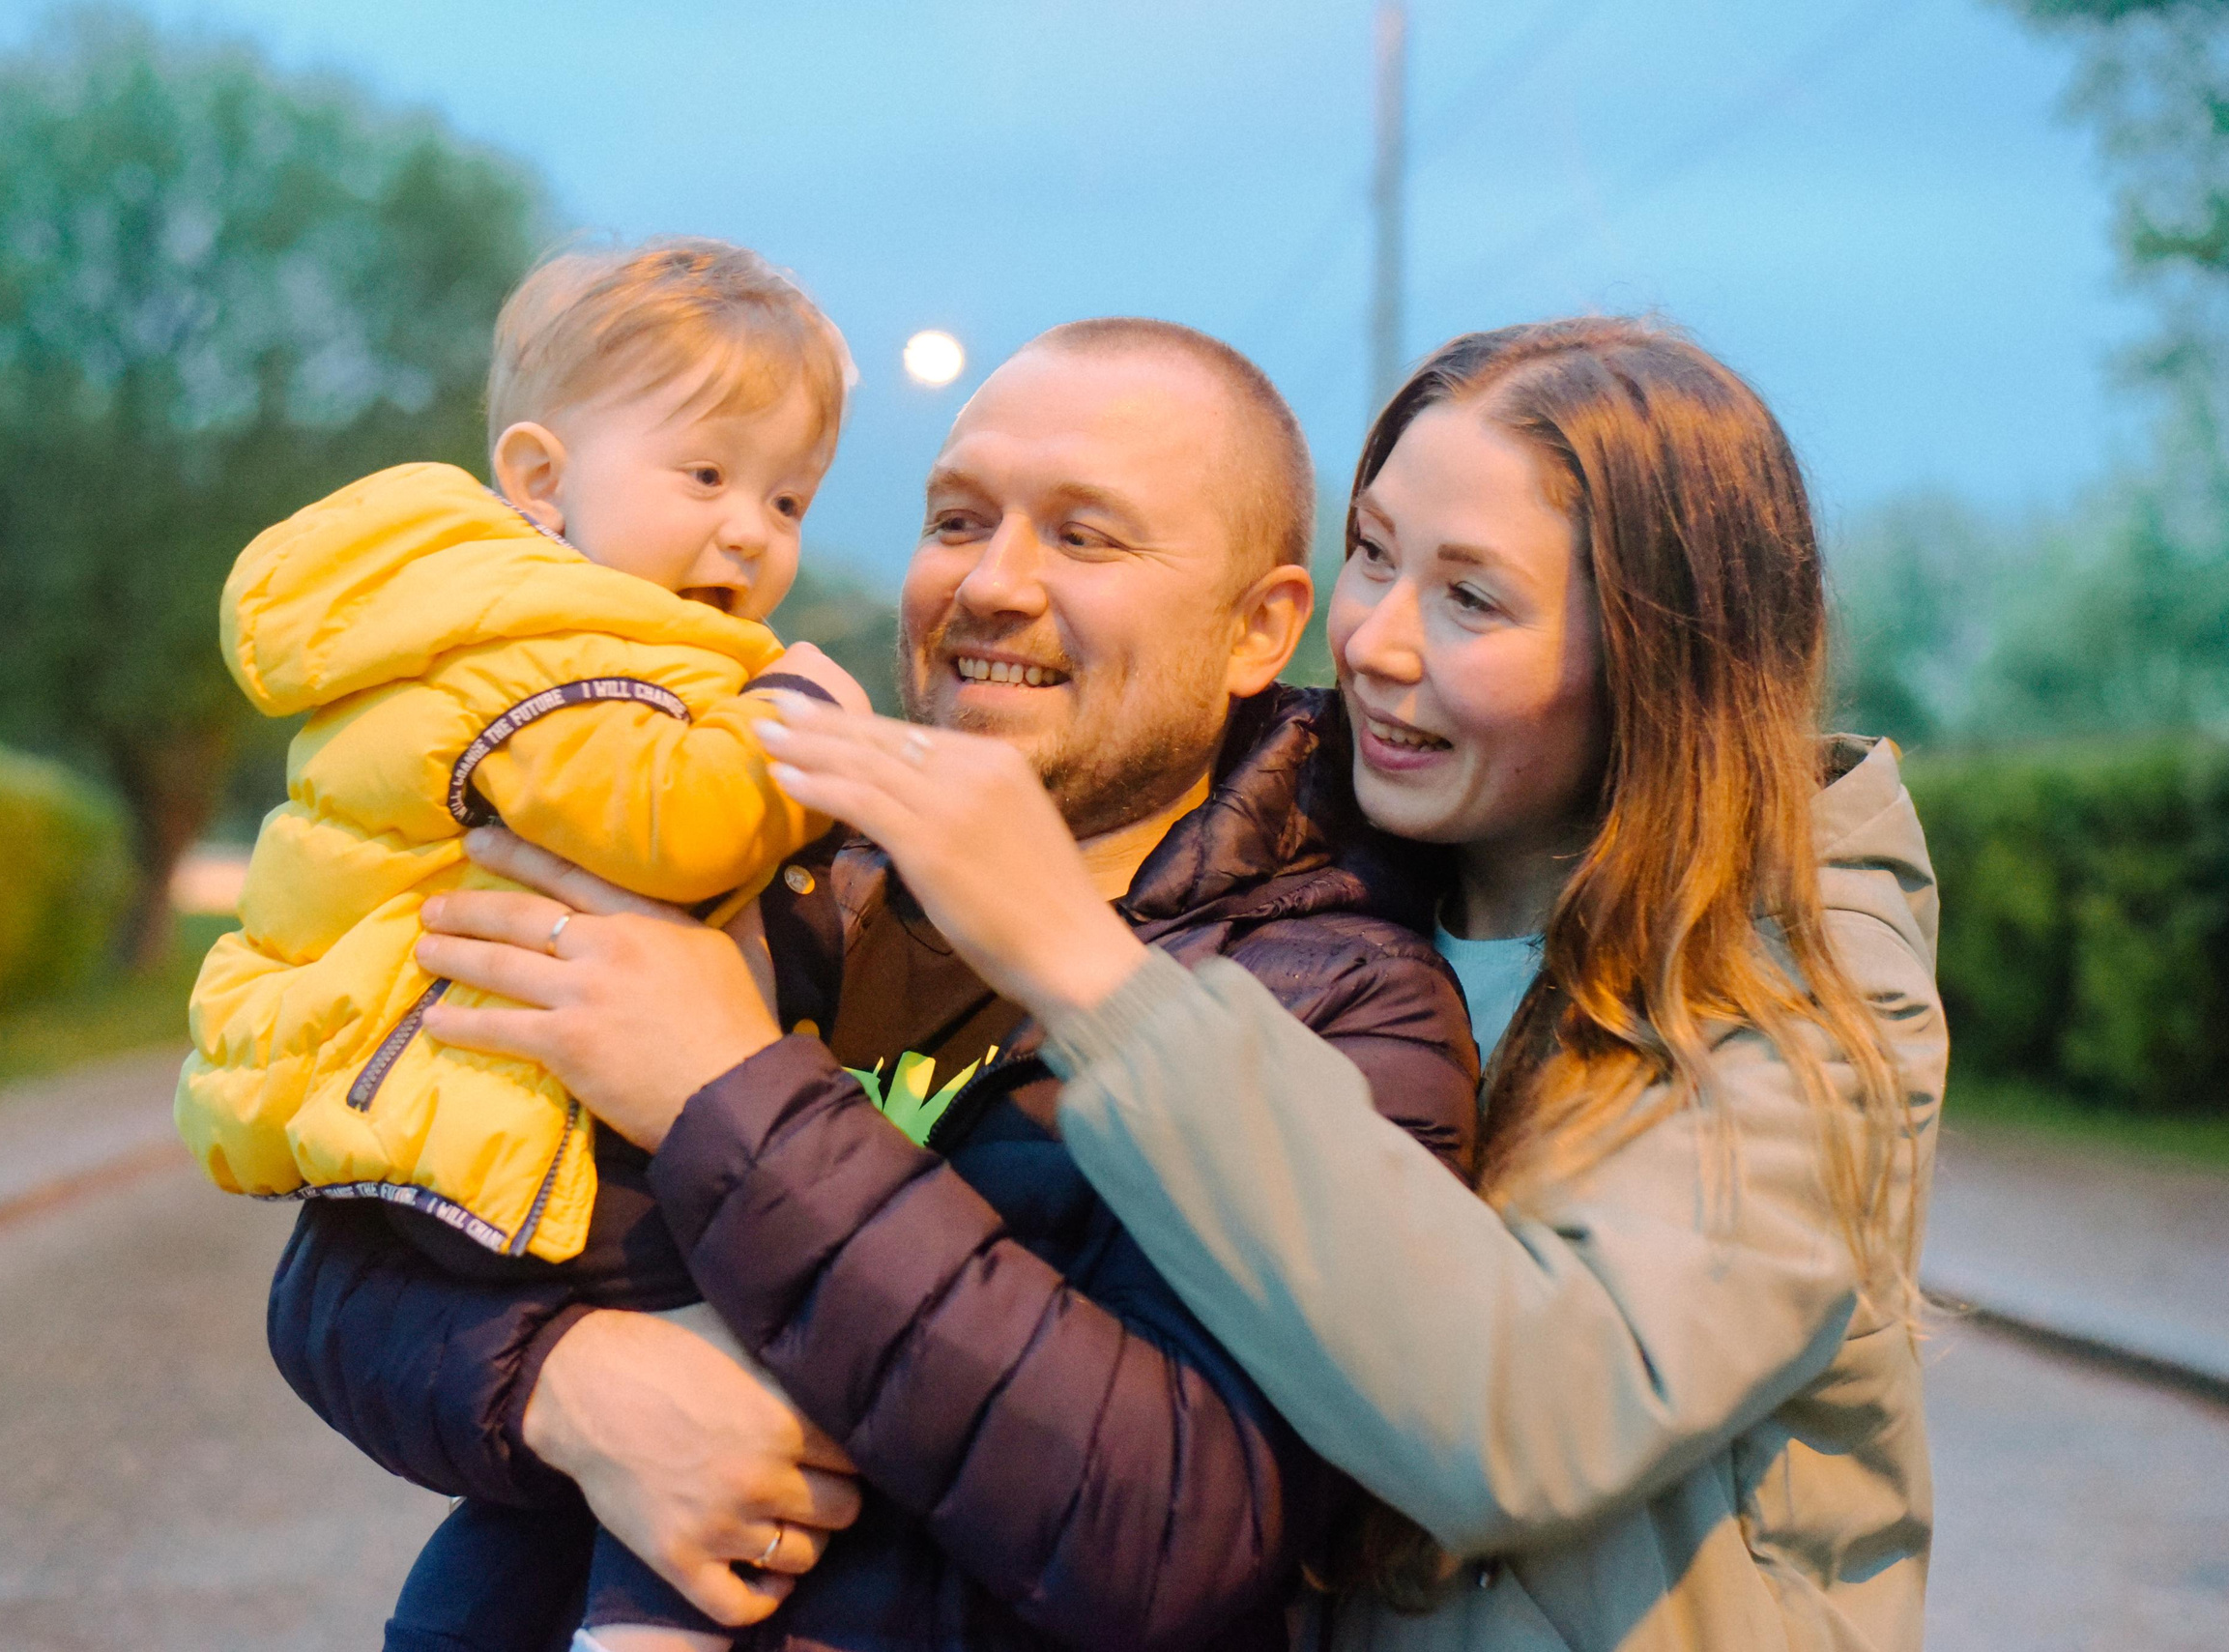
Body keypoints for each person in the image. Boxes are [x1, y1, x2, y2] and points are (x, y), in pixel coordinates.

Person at [267, 319, 1484, 1650]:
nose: (994, 585)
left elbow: (1172, 1525)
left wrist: (724, 1090)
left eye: (1086, 537)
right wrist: (565, 1379)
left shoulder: (1344, 1001)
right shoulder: (765, 849)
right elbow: (342, 1258)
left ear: (1261, 627)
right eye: (958, 520)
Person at [756, 317, 1948, 1650]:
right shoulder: (1324, 883)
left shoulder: (1792, 986)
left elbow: (1533, 1415)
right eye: (1373, 553)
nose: (1375, 640)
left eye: (1473, 597)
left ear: (1656, 662)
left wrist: (1083, 970)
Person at [176, 237, 871, 1652]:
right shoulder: (545, 651)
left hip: (469, 1121)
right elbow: (678, 824)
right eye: (706, 476)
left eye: (787, 496)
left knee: (531, 1515)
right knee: (732, 1354)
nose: (750, 530)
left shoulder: (510, 623)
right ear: (544, 480)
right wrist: (802, 732)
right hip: (524, 1137)